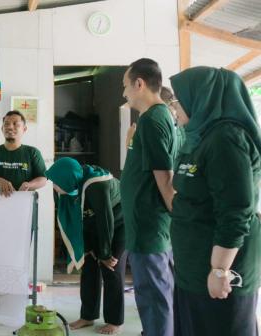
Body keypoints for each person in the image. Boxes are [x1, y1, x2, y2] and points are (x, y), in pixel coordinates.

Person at [170, 66, 261, 336]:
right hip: (195, 270)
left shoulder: (226, 139)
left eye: (178, 99)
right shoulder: (200, 137)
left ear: (203, 97)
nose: (174, 107)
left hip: (220, 274)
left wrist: (220, 270)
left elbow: (236, 209)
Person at [120, 58, 175, 336]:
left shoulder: (153, 119)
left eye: (126, 86)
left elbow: (165, 178)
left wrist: (180, 220)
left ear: (139, 83)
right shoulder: (155, 118)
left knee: (154, 297)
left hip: (150, 228)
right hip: (147, 226)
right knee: (154, 294)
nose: (124, 93)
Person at [46, 158, 125, 335]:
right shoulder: (61, 187)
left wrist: (105, 254)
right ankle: (88, 316)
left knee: (111, 269)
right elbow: (69, 220)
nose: (54, 186)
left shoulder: (97, 185)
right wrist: (86, 247)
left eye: (56, 182)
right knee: (88, 266)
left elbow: (106, 221)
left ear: (68, 178)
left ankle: (114, 320)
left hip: (119, 223)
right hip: (90, 224)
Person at [0, 110, 47, 197]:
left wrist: (29, 185)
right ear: (2, 128)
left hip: (24, 203)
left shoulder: (33, 152)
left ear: (24, 129)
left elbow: (43, 179)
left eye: (16, 124)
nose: (10, 127)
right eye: (6, 124)